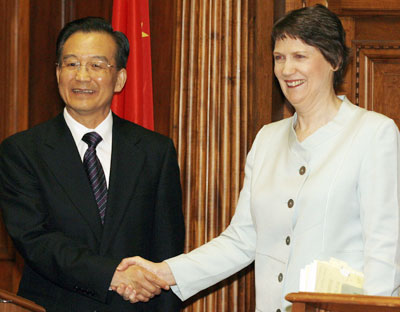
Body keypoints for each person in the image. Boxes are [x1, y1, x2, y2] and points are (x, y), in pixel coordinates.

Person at [114, 4, 400, 311]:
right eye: (280, 58)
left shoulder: (373, 133)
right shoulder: (267, 139)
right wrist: (162, 272)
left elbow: (385, 251)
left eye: (300, 56)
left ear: (334, 60)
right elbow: (241, 241)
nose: (287, 69)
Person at [0, 17, 185, 312]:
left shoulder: (154, 151)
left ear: (120, 79)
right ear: (57, 72)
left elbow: (168, 250)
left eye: (97, 65)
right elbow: (36, 240)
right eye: (71, 64)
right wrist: (112, 274)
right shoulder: (21, 152)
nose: (82, 77)